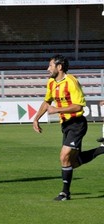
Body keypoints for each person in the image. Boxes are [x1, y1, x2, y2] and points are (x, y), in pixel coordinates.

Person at [33, 54, 104, 201]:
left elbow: (78, 106)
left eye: (50, 66)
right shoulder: (51, 82)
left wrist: (56, 110)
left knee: (63, 156)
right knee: (72, 163)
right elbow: (47, 102)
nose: (48, 69)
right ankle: (102, 149)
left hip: (77, 124)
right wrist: (36, 119)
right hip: (65, 125)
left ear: (59, 67)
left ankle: (65, 193)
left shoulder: (71, 82)